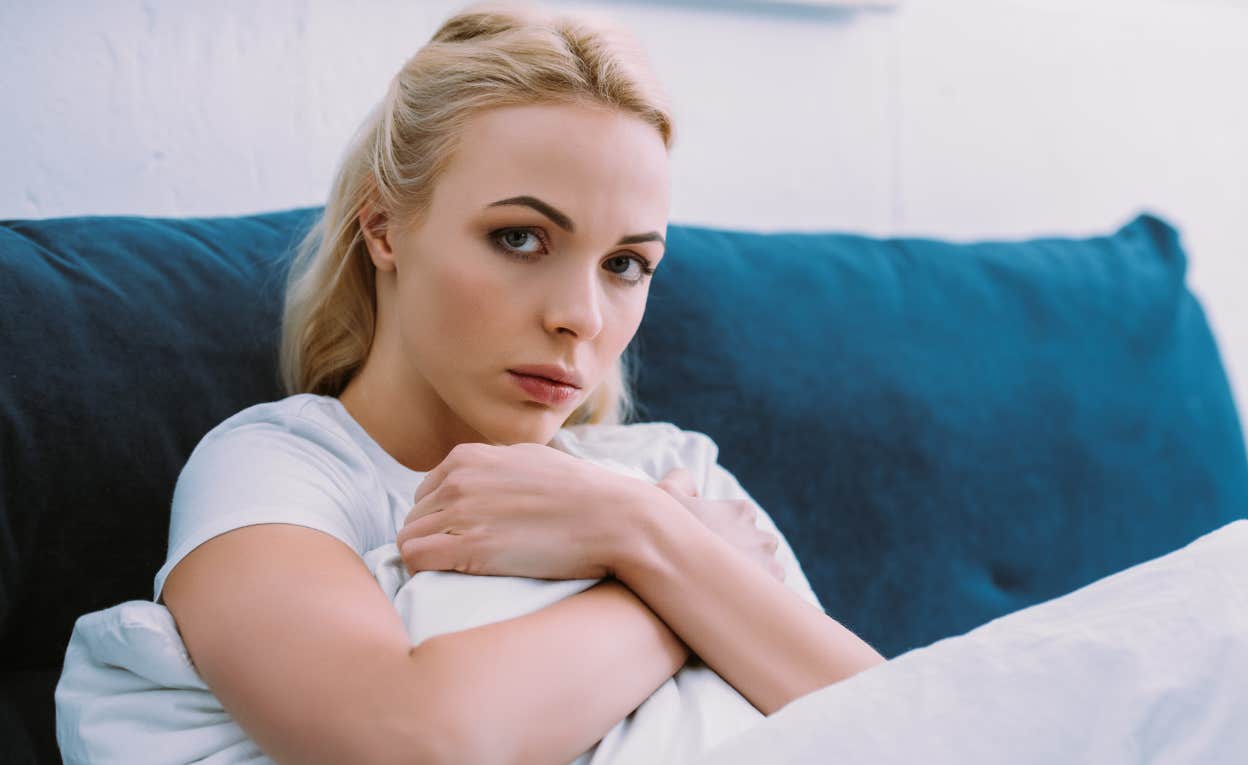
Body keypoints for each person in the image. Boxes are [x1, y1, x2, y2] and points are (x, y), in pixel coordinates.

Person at [153, 4, 886, 764]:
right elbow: (403, 743)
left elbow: (902, 726)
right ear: (382, 228)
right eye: (520, 238)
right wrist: (661, 558)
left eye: (626, 264)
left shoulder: (674, 475)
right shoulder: (282, 468)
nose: (581, 317)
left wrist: (639, 522)